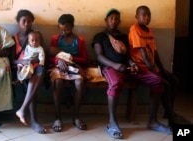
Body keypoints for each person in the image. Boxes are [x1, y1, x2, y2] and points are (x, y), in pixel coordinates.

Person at [91, 8, 172, 139]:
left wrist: (133, 64)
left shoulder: (123, 36)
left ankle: (152, 121)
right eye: (111, 18)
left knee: (156, 80)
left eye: (116, 18)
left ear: (119, 21)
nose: (114, 21)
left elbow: (129, 55)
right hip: (110, 67)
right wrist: (115, 65)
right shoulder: (99, 36)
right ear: (106, 20)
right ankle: (112, 123)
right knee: (116, 83)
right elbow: (99, 56)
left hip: (128, 67)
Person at [128, 5, 191, 127]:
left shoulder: (149, 31)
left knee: (174, 80)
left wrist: (162, 70)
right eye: (144, 15)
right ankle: (169, 116)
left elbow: (154, 53)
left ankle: (169, 113)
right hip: (141, 67)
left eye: (149, 15)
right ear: (137, 17)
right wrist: (155, 71)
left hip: (150, 66)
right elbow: (143, 54)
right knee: (163, 83)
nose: (147, 17)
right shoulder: (134, 29)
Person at [48, 14, 88, 132]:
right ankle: (57, 117)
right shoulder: (56, 39)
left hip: (74, 67)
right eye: (61, 30)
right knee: (58, 81)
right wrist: (58, 60)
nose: (64, 32)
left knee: (80, 83)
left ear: (73, 26)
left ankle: (76, 117)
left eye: (67, 29)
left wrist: (70, 59)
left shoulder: (79, 40)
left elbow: (85, 59)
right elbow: (50, 56)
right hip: (58, 67)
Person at [10, 9, 47, 134]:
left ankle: (29, 116)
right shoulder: (13, 38)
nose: (26, 24)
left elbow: (43, 54)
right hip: (21, 70)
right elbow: (12, 60)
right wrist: (23, 62)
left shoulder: (36, 35)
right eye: (23, 21)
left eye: (29, 21)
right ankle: (33, 119)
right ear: (18, 22)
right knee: (31, 83)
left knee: (40, 72)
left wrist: (32, 60)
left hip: (36, 67)